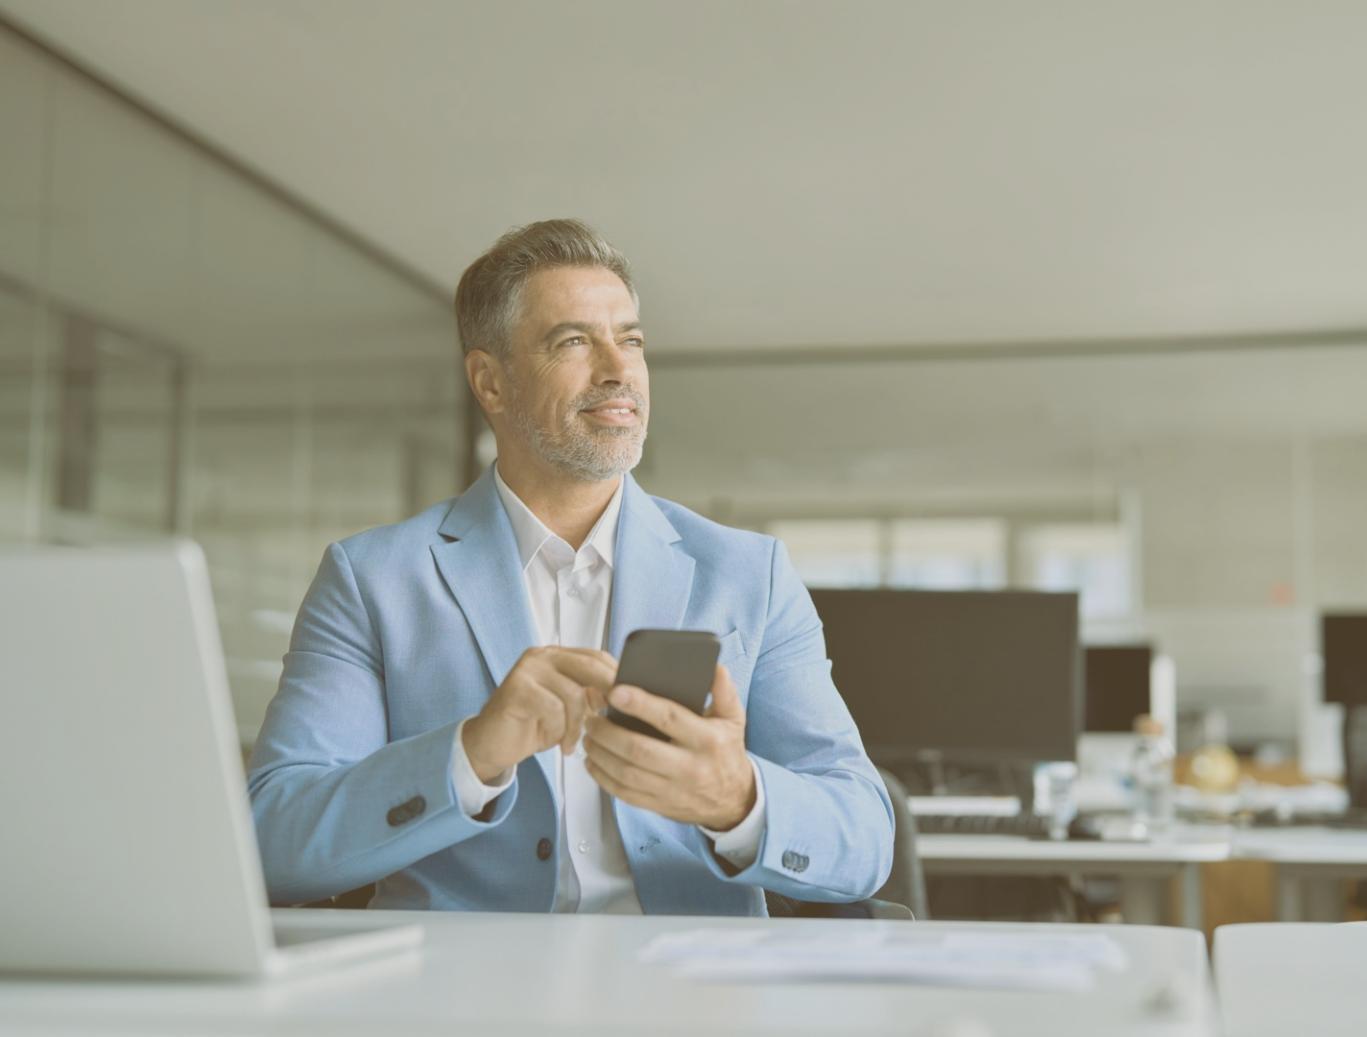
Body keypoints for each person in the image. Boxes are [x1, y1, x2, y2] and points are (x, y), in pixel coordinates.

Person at [247, 219, 894, 914]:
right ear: (490, 383)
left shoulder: (748, 572)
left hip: (686, 997)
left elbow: (863, 839)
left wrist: (735, 797)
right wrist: (469, 755)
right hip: (462, 998)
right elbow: (273, 841)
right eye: (575, 342)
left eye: (632, 340)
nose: (619, 371)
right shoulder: (371, 578)